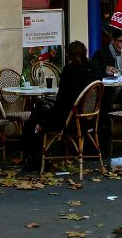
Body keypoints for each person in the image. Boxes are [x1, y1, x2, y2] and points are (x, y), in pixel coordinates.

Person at [20, 40, 100, 172]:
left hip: (70, 121)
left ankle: (31, 155)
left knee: (38, 115)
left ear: (69, 56)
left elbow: (62, 101)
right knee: (40, 110)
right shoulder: (95, 69)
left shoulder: (69, 71)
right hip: (89, 119)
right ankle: (30, 152)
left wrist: (49, 109)